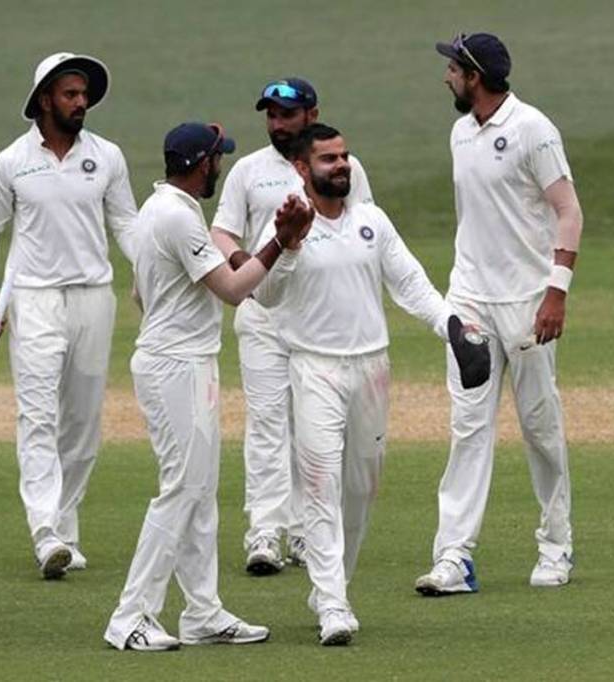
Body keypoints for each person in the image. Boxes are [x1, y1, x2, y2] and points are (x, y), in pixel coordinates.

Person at [255, 123, 489, 645]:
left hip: (372, 369)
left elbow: (411, 284)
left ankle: (331, 585)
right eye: (328, 159)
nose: (341, 165)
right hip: (314, 367)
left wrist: (453, 328)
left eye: (344, 156)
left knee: (360, 489)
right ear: (301, 167)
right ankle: (333, 604)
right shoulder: (287, 222)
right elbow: (264, 295)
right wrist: (286, 245)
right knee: (321, 486)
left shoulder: (371, 221)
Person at [104, 122, 313, 652]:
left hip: (182, 361)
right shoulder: (178, 216)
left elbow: (139, 294)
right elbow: (235, 290)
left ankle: (202, 613)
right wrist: (280, 242)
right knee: (182, 490)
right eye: (218, 157)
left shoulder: (159, 209)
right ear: (202, 164)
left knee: (199, 493)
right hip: (176, 367)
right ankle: (131, 615)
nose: (221, 165)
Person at [415, 32, 584, 595]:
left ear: (475, 76)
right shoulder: (460, 132)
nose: (445, 77)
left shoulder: (534, 129)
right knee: (467, 429)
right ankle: (454, 557)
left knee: (539, 427)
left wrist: (556, 291)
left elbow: (569, 212)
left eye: (453, 69)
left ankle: (556, 544)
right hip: (469, 301)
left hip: (529, 303)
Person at [0, 52, 138, 578]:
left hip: (94, 295)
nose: (81, 102)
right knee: (38, 416)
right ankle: (45, 532)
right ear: (45, 100)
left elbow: (126, 224)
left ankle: (65, 528)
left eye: (84, 94)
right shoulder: (12, 161)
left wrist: (152, 274)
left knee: (83, 422)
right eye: (70, 94)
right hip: (34, 298)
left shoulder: (107, 156)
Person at [210, 78, 373, 573]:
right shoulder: (248, 170)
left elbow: (362, 228)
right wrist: (246, 263)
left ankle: (306, 532)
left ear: (311, 114)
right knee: (266, 422)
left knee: (312, 425)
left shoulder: (342, 167)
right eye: (272, 115)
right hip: (262, 317)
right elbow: (222, 231)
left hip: (317, 319)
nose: (277, 124)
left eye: (287, 114)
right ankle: (265, 532)